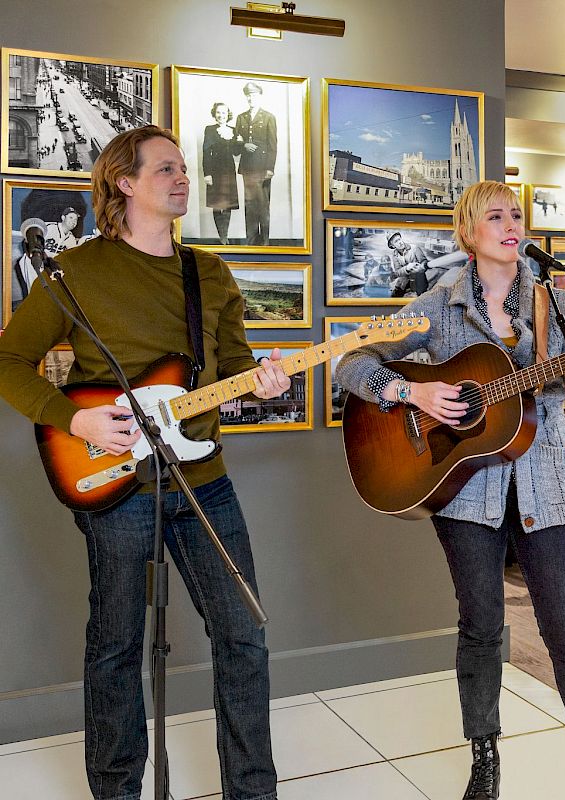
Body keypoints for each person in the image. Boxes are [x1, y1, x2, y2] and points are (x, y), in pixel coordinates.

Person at [335, 180, 565, 800]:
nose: (512, 224)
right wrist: (413, 392)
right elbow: (350, 360)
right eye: (496, 216)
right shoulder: (437, 304)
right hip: (466, 494)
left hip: (550, 487)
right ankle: (484, 758)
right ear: (469, 233)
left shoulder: (556, 302)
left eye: (517, 215)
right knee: (480, 624)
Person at [0, 125, 288, 800]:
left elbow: (237, 367)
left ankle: (254, 791)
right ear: (124, 183)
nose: (183, 177)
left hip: (203, 482)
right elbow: (9, 362)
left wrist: (266, 380)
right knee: (116, 646)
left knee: (243, 637)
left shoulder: (209, 274)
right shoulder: (77, 271)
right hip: (116, 484)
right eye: (166, 169)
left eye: (184, 168)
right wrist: (75, 417)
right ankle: (117, 792)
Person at [234, 81, 277, 246]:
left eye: (254, 94)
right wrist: (243, 144)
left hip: (263, 168)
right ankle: (251, 242)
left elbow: (273, 144)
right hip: (247, 168)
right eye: (248, 95)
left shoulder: (268, 117)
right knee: (250, 205)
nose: (251, 98)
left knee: (263, 206)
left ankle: (265, 242)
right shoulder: (241, 118)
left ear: (259, 96)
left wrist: (270, 168)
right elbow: (236, 145)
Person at [202, 101, 240, 245]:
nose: (221, 115)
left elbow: (236, 153)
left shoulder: (233, 130)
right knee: (217, 204)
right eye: (218, 112)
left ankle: (226, 235)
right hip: (215, 170)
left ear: (227, 114)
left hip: (229, 170)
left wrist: (240, 142)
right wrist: (207, 174)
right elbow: (206, 152)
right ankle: (222, 237)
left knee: (228, 204)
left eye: (223, 113)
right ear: (214, 114)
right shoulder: (210, 129)